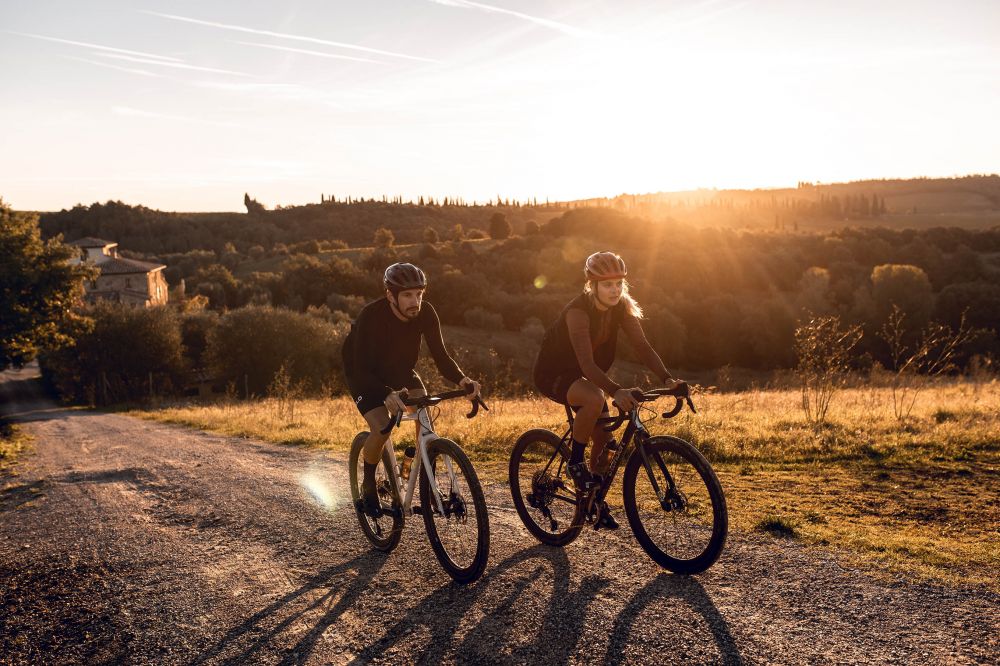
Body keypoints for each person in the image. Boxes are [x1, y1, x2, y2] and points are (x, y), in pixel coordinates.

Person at [533, 251, 680, 529]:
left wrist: (668, 379)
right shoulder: (578, 312)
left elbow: (643, 347)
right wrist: (616, 391)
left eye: (618, 284)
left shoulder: (621, 308)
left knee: (604, 442)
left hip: (582, 374)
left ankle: (595, 503)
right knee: (594, 398)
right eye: (607, 284)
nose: (615, 290)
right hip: (553, 373)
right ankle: (574, 462)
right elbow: (586, 363)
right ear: (593, 286)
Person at [342, 262, 480, 517]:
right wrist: (385, 393)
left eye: (418, 294)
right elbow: (360, 368)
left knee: (425, 418)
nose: (414, 301)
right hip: (364, 374)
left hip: (400, 372)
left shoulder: (426, 313)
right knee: (382, 427)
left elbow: (441, 356)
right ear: (390, 295)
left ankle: (419, 472)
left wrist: (463, 381)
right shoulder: (371, 316)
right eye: (407, 295)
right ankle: (369, 483)